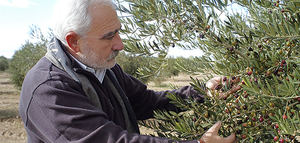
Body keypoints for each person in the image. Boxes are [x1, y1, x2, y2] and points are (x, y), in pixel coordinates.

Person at [19, 0, 237, 142]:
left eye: (118, 33)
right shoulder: (47, 90)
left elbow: (148, 101)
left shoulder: (104, 69)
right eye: (108, 36)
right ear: (74, 41)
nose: (120, 44)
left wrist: (202, 93)